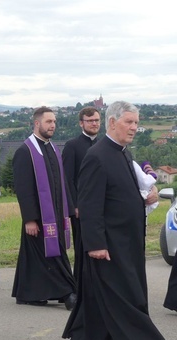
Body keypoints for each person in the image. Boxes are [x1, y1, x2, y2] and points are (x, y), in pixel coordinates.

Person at [63, 101, 168, 340]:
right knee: (127, 304)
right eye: (129, 122)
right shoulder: (97, 156)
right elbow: (89, 204)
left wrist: (144, 198)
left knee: (99, 306)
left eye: (136, 123)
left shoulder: (123, 153)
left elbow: (118, 195)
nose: (134, 128)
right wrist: (96, 244)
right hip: (109, 247)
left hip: (126, 243)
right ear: (112, 123)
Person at [12, 106, 76, 310]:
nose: (53, 125)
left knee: (35, 257)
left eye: (54, 122)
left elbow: (62, 182)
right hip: (39, 217)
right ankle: (69, 292)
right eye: (49, 122)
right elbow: (23, 188)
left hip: (56, 214)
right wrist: (29, 219)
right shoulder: (26, 151)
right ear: (37, 123)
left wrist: (70, 208)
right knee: (53, 256)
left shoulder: (52, 148)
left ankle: (27, 293)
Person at [62, 106, 100, 285]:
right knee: (82, 247)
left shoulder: (103, 145)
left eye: (97, 120)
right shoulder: (72, 146)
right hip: (81, 208)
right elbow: (67, 178)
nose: (94, 123)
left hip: (101, 206)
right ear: (81, 123)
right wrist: (74, 205)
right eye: (90, 120)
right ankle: (80, 285)